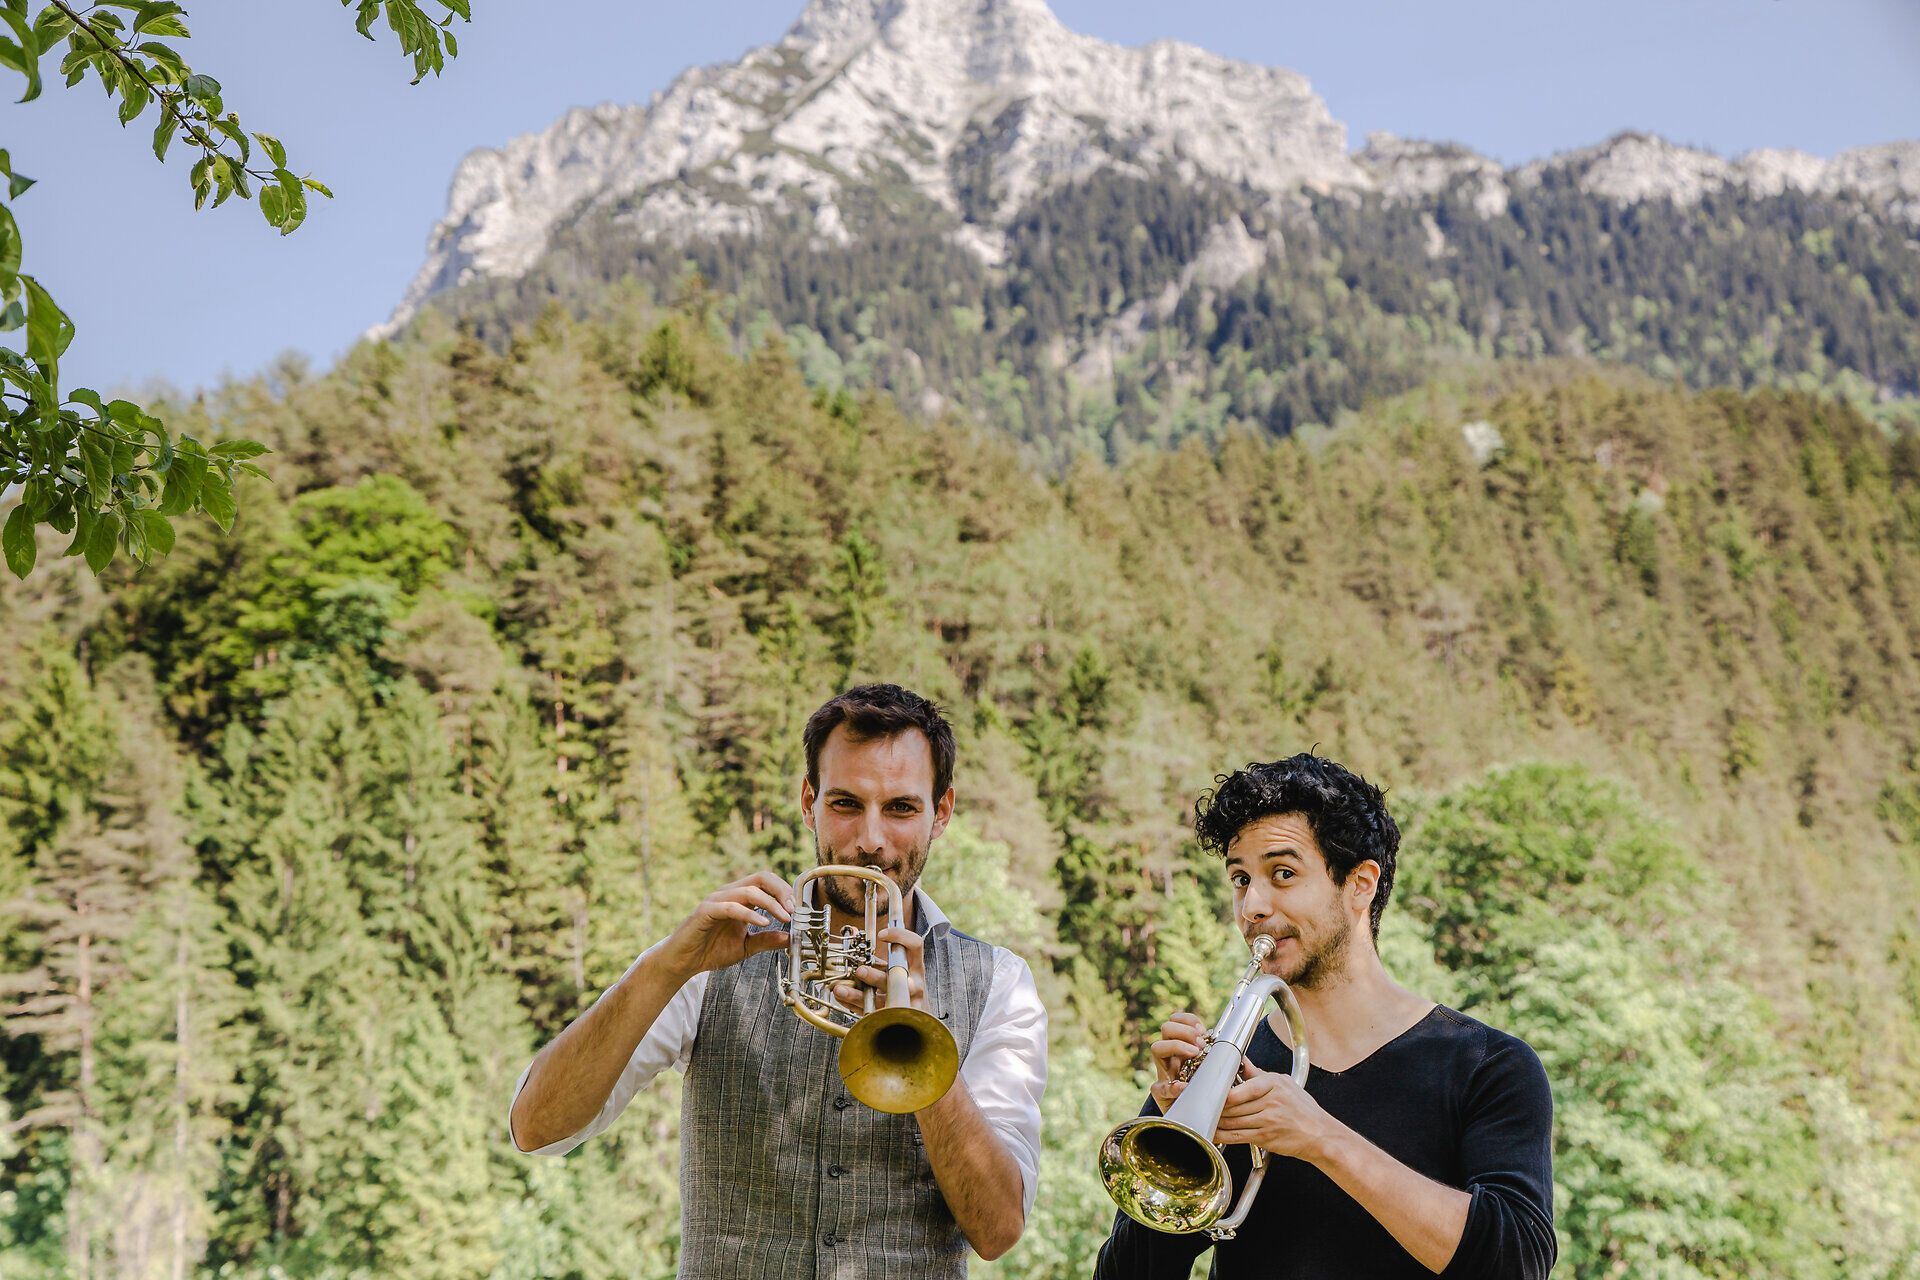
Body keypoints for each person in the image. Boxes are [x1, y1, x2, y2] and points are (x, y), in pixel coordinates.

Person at [508, 683, 1047, 1277]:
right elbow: (537, 1128)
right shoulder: (708, 961)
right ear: (808, 801)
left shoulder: (999, 982)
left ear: (941, 813)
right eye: (845, 804)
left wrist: (923, 1045)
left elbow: (998, 1231)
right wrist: (665, 968)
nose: (870, 840)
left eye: (900, 808)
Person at [1095, 753, 1555, 1279]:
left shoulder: (1488, 1065)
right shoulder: (1224, 1072)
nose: (1252, 907)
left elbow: (1517, 1265)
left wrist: (1321, 1139)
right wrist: (1174, 1127)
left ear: (1360, 884)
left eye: (1283, 873)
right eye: (1240, 879)